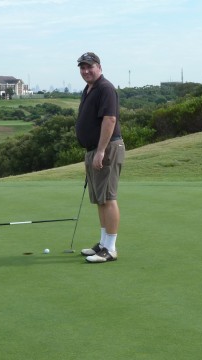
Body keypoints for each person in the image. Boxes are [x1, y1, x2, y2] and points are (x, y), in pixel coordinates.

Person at [75, 52, 125, 263]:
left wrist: (101, 150)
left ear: (99, 67)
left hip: (107, 148)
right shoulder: (89, 89)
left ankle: (110, 249)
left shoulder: (105, 88)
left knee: (108, 197)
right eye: (82, 67)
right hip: (93, 149)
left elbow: (110, 119)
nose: (86, 71)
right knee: (100, 199)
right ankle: (103, 243)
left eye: (90, 67)